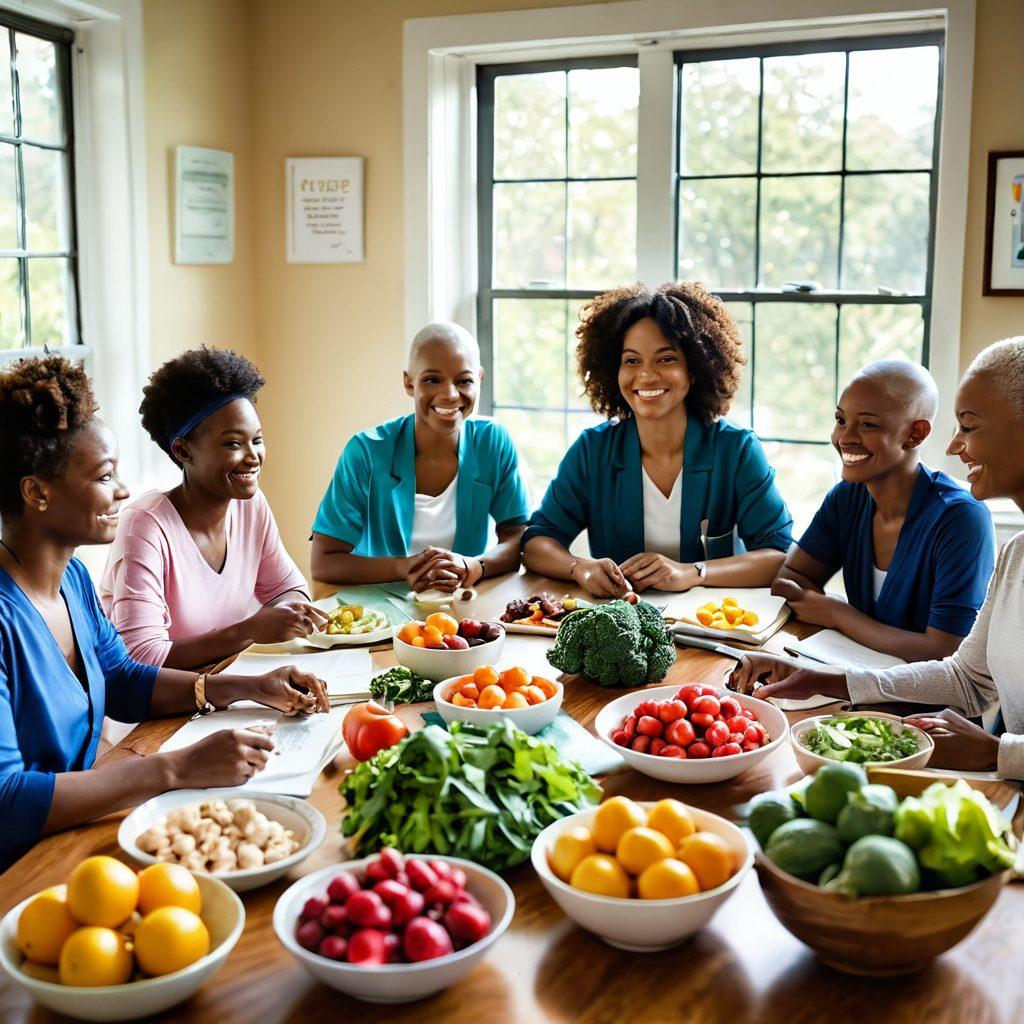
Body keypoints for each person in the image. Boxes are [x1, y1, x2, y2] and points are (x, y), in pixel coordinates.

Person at [0, 357, 329, 871]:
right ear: (37, 492)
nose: (125, 491)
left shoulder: (73, 582)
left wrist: (245, 687)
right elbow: (6, 801)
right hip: (22, 867)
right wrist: (173, 768)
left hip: (84, 830)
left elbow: (126, 680)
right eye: (106, 476)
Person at [729, 337, 1024, 779]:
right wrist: (823, 679)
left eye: (969, 426)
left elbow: (948, 655)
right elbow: (967, 677)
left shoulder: (961, 518)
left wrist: (997, 752)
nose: (953, 447)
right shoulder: (1016, 553)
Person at [521, 282, 793, 597]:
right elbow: (537, 542)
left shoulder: (736, 450)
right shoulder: (592, 450)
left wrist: (693, 573)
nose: (647, 376)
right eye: (632, 361)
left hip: (710, 627)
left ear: (695, 368)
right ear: (614, 370)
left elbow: (781, 556)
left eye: (666, 359)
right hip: (622, 626)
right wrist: (579, 567)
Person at [100, 348, 327, 669]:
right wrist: (249, 631)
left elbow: (288, 588)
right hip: (157, 711)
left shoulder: (251, 506)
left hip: (223, 683)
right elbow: (141, 658)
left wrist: (289, 614)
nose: (253, 457)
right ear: (183, 450)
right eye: (233, 443)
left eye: (257, 440)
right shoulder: (146, 525)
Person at [772, 360, 994, 661]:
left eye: (867, 424)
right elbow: (791, 578)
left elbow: (946, 650)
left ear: (915, 434)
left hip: (924, 704)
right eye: (840, 420)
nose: (844, 438)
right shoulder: (846, 497)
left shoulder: (961, 518)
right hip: (850, 681)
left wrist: (837, 614)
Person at [311, 322, 530, 592]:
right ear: (408, 382)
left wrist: (475, 566)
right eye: (432, 379)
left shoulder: (492, 442)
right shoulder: (366, 452)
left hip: (463, 612)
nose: (450, 394)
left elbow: (517, 539)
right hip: (381, 615)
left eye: (464, 380)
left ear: (480, 379)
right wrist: (406, 568)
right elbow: (324, 562)